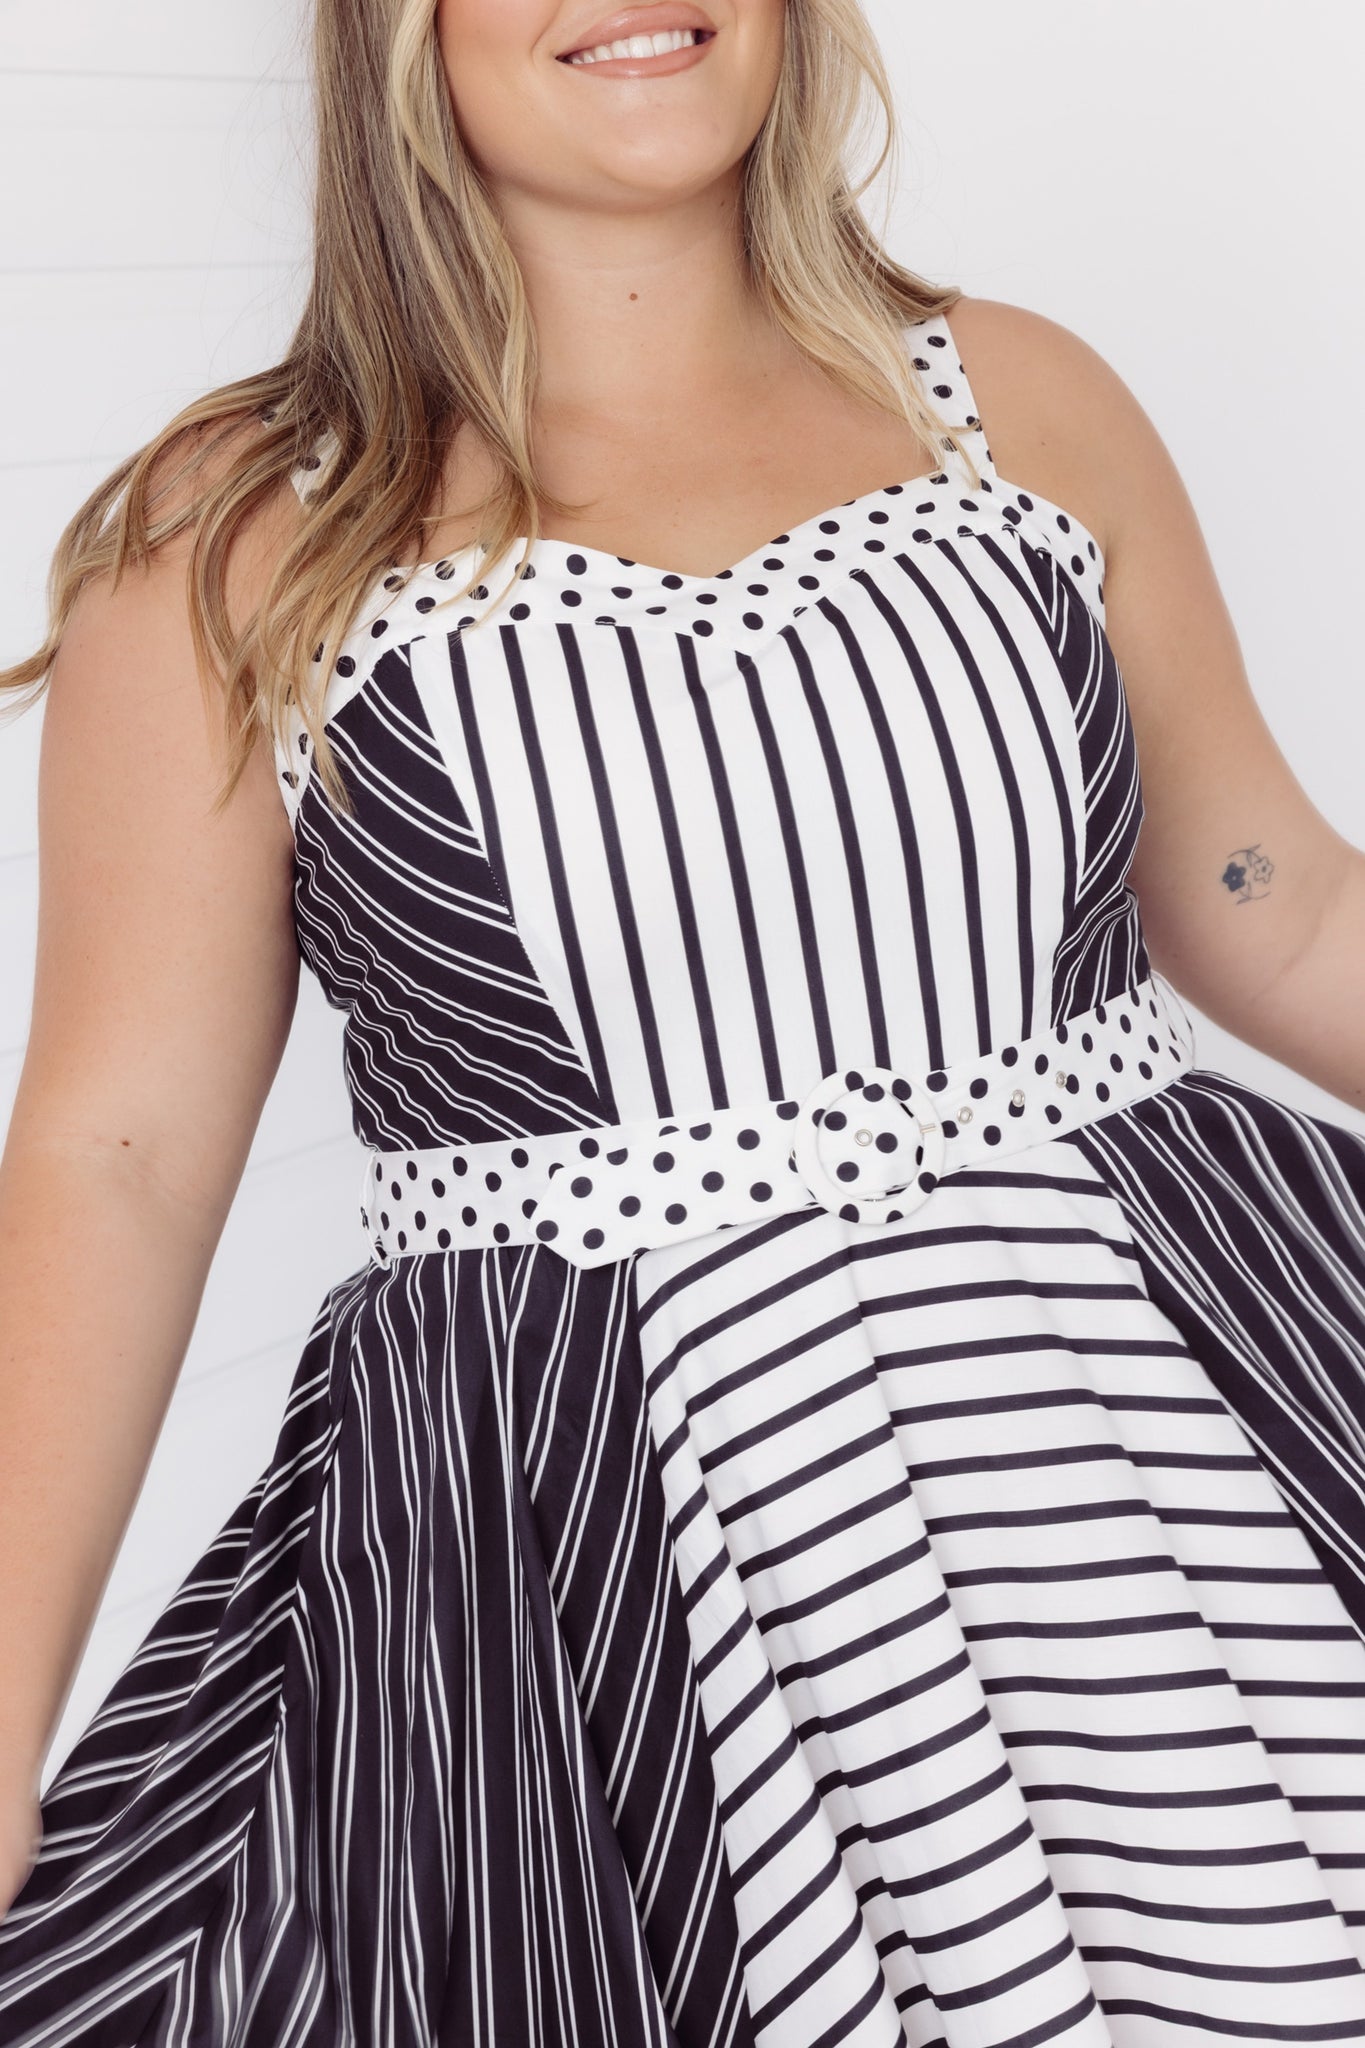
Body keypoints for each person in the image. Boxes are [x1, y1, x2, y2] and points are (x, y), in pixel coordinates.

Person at [1, 0, 1364, 2040]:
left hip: (1167, 1437)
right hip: (596, 1543)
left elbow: (1280, 905)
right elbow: (117, 1156)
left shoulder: (1012, 397)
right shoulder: (238, 532)